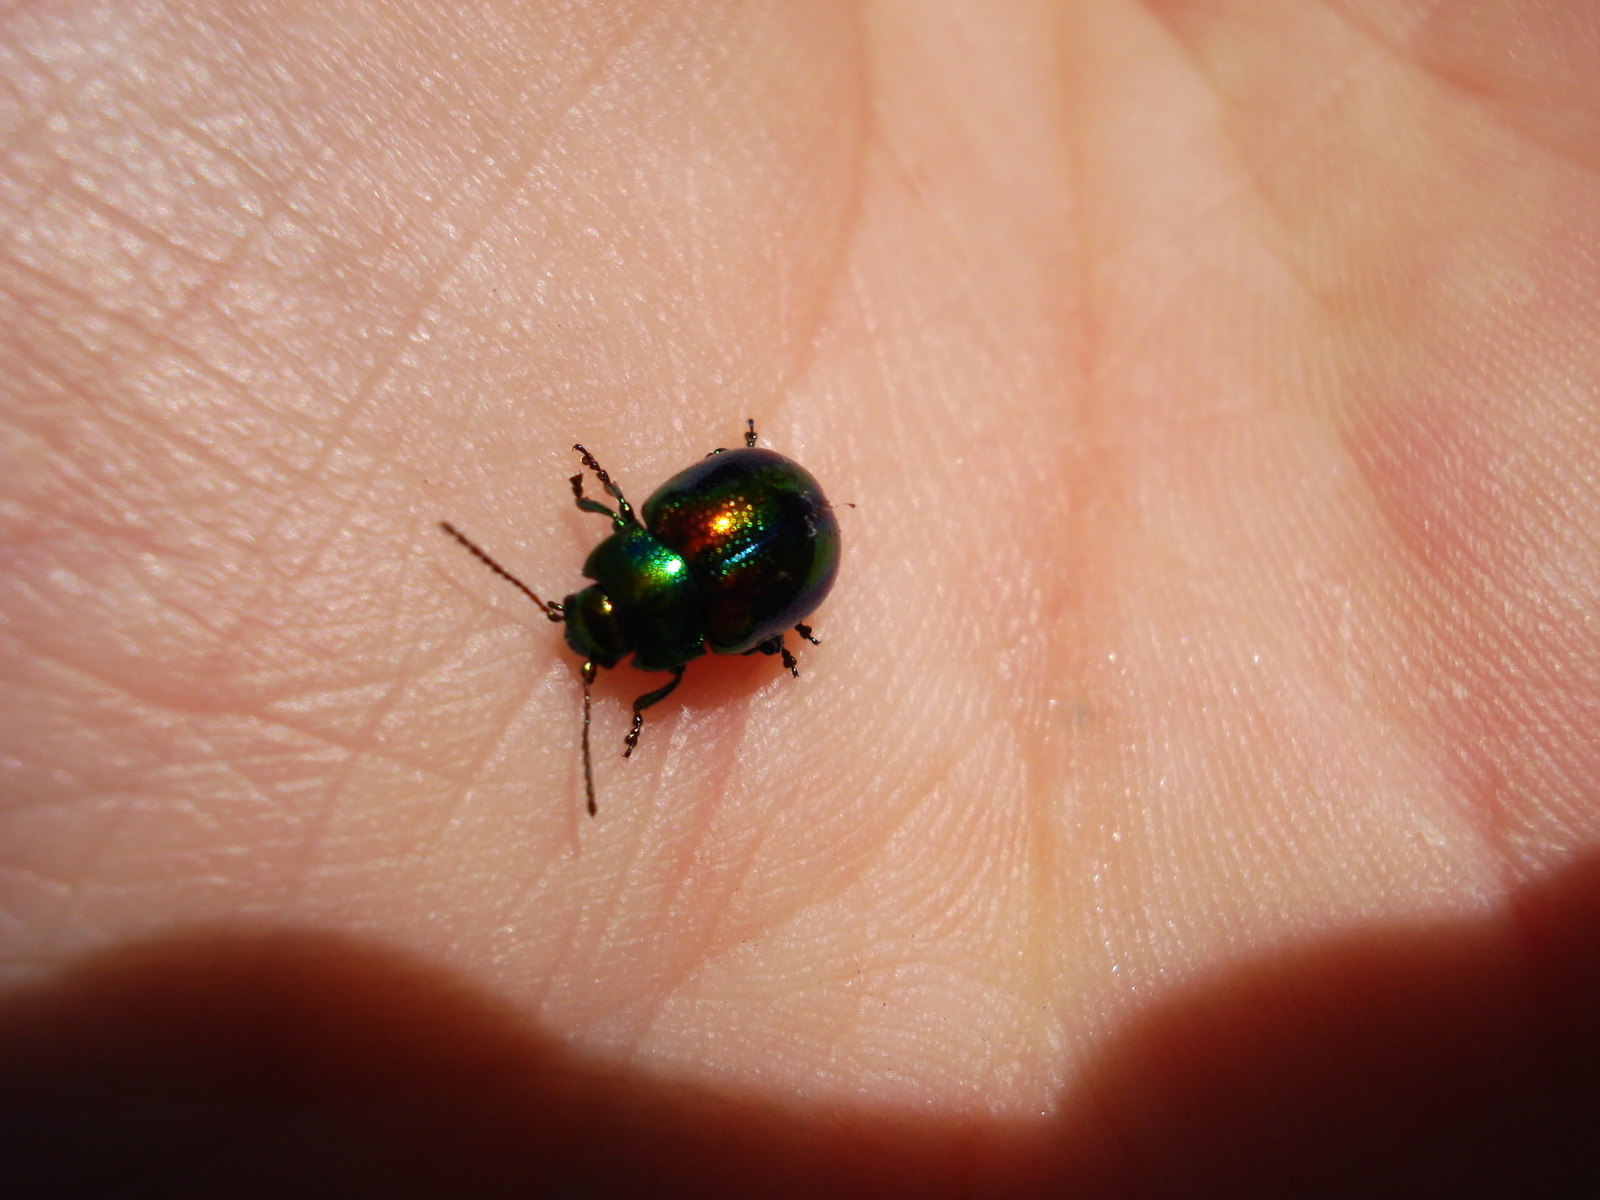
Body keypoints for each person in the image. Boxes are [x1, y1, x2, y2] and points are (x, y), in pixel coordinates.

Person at [1, 1, 1595, 1193]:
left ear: (618, 562)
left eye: (601, 605)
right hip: (776, 529)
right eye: (607, 611)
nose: (607, 620)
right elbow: (694, 599)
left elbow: (696, 614)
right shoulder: (677, 607)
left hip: (778, 529)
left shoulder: (682, 622)